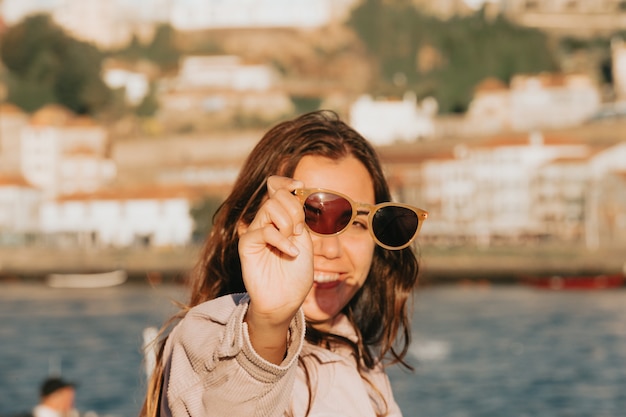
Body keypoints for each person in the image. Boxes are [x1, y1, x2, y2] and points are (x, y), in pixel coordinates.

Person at [141, 110, 428, 417]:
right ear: (247, 226)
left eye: (358, 223)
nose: (332, 249)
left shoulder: (358, 359)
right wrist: (269, 324)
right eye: (308, 217)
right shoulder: (210, 337)